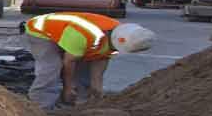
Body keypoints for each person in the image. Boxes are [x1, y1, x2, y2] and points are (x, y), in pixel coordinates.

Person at [23, 12, 154, 110]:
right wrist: (68, 87)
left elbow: (102, 58)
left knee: (84, 72)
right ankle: (40, 107)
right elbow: (69, 61)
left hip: (74, 37)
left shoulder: (124, 35)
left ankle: (77, 106)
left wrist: (96, 86)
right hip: (41, 31)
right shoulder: (84, 35)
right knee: (51, 68)